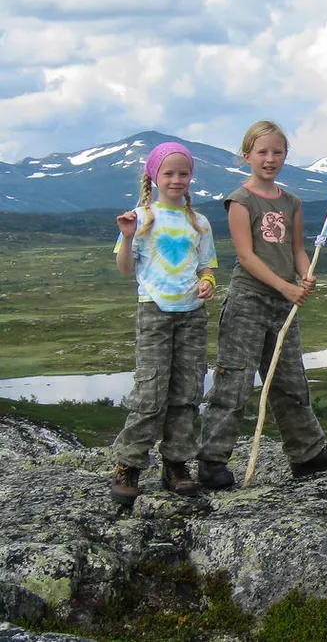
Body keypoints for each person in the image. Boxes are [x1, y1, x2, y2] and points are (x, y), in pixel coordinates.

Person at [196, 120, 327, 490]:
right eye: (262, 152)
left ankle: (307, 454)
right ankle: (212, 461)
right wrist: (286, 286)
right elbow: (247, 258)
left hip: (283, 303)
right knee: (233, 381)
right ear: (246, 155)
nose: (270, 159)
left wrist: (305, 274)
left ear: (285, 155)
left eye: (277, 152)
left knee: (289, 381)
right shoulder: (240, 201)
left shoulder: (291, 202)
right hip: (248, 300)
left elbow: (297, 250)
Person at [110, 141, 218, 506]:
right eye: (169, 173)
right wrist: (127, 237)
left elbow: (207, 266)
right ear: (154, 177)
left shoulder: (199, 223)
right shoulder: (140, 218)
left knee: (187, 391)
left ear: (191, 177)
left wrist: (208, 283)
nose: (176, 179)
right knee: (151, 392)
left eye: (183, 173)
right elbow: (126, 269)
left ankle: (176, 464)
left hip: (192, 313)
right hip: (154, 311)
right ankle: (128, 465)